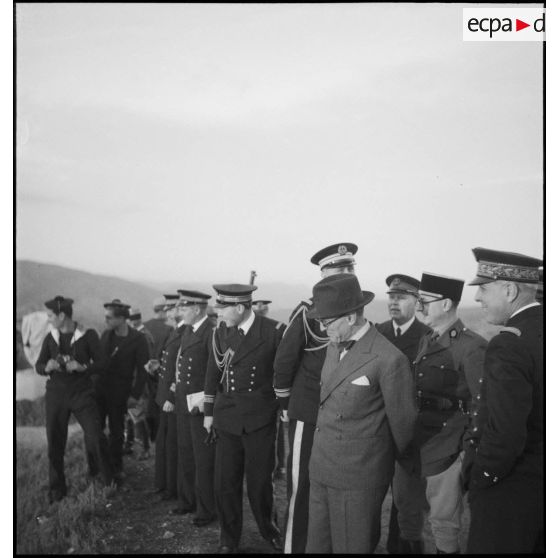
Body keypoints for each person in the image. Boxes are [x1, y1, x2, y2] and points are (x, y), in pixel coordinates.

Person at [305, 274, 417, 553]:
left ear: (352, 317)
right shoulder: (333, 345)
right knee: (317, 546)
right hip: (321, 468)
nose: (322, 328)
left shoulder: (389, 359)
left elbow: (404, 427)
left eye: (327, 321)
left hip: (358, 479)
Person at [273, 242, 358, 553]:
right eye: (340, 269)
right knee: (303, 486)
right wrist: (285, 404)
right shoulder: (307, 313)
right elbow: (284, 361)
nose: (347, 273)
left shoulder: (356, 313)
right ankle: (294, 548)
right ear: (323, 275)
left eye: (350, 268)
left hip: (342, 417)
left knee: (335, 487)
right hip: (308, 413)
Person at [393, 273, 486, 554]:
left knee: (444, 523)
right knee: (406, 513)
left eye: (424, 301)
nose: (419, 306)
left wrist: (464, 452)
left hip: (446, 446)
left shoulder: (472, 346)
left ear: (446, 304)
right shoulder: (428, 338)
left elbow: (481, 406)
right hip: (414, 442)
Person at [464, 248, 543, 554]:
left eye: (483, 288)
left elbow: (506, 432)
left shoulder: (510, 344)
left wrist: (482, 477)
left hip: (509, 493)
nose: (478, 298)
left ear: (509, 290)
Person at [203, 284, 285, 554]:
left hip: (259, 417)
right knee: (226, 482)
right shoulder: (220, 333)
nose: (219, 313)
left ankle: (268, 529)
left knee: (260, 482)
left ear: (240, 308)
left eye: (223, 308)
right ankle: (229, 538)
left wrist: (283, 404)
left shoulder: (273, 331)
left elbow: (284, 372)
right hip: (227, 416)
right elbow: (212, 374)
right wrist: (208, 412)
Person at [35, 296, 113, 503]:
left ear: (62, 315)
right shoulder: (50, 337)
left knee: (96, 435)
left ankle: (107, 482)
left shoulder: (88, 335)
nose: (48, 320)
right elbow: (39, 365)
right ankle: (57, 491)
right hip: (56, 395)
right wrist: (47, 367)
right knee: (55, 442)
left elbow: (103, 363)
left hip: (82, 394)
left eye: (51, 316)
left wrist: (83, 367)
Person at [376, 274, 431, 554]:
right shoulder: (377, 333)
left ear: (416, 302)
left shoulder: (427, 337)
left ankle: (398, 548)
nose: (394, 302)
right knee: (370, 495)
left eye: (401, 297)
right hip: (376, 428)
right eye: (391, 297)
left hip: (408, 432)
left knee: (405, 501)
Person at [169, 289, 216, 525]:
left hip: (199, 404)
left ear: (197, 309)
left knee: (203, 458)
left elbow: (214, 372)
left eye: (185, 308)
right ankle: (187, 500)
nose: (180, 312)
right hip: (183, 401)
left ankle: (206, 509)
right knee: (186, 452)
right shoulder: (188, 330)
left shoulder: (211, 331)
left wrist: (208, 405)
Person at [93, 299, 150, 482]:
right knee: (97, 430)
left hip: (120, 392)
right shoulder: (105, 336)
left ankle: (116, 469)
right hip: (101, 390)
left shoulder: (138, 339)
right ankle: (99, 470)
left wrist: (134, 395)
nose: (106, 321)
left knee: (117, 431)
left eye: (109, 318)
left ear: (122, 319)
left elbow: (143, 370)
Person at [152, 294, 185, 500]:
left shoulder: (183, 333)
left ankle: (171, 489)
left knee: (171, 445)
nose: (167, 312)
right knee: (163, 442)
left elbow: (181, 369)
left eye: (171, 308)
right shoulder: (174, 331)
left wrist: (171, 397)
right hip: (163, 395)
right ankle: (164, 485)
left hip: (172, 398)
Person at [124, 308, 156, 459]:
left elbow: (146, 362)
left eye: (130, 319)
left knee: (137, 414)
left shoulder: (142, 336)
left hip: (139, 381)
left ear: (134, 320)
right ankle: (130, 445)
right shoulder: (142, 334)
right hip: (135, 379)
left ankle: (144, 448)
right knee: (132, 414)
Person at [143, 297, 173, 443]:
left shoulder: (144, 326)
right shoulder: (168, 329)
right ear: (162, 311)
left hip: (144, 370)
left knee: (148, 403)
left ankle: (147, 437)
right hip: (161, 370)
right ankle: (158, 435)